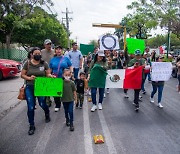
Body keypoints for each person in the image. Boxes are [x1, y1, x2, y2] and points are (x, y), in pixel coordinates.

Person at [21, 47, 54, 135]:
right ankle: (31, 125)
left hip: (41, 87)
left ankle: (47, 113)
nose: (37, 55)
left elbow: (48, 73)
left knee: (42, 104)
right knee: (30, 107)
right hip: (30, 87)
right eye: (35, 54)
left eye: (39, 53)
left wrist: (50, 76)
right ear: (32, 54)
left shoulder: (44, 64)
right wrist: (29, 78)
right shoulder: (27, 63)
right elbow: (22, 75)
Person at [49, 45, 73, 112]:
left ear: (62, 51)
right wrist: (49, 75)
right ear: (55, 51)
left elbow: (70, 66)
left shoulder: (66, 58)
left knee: (65, 91)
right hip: (55, 78)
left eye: (60, 49)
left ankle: (66, 104)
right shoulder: (53, 59)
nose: (58, 50)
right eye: (57, 49)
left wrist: (71, 72)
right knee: (56, 93)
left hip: (64, 78)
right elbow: (50, 69)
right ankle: (57, 105)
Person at [41, 39, 55, 107]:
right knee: (45, 85)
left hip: (52, 71)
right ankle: (47, 99)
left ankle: (54, 98)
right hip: (44, 71)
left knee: (51, 85)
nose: (49, 45)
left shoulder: (54, 52)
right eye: (47, 44)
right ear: (44, 45)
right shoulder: (41, 52)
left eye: (50, 44)